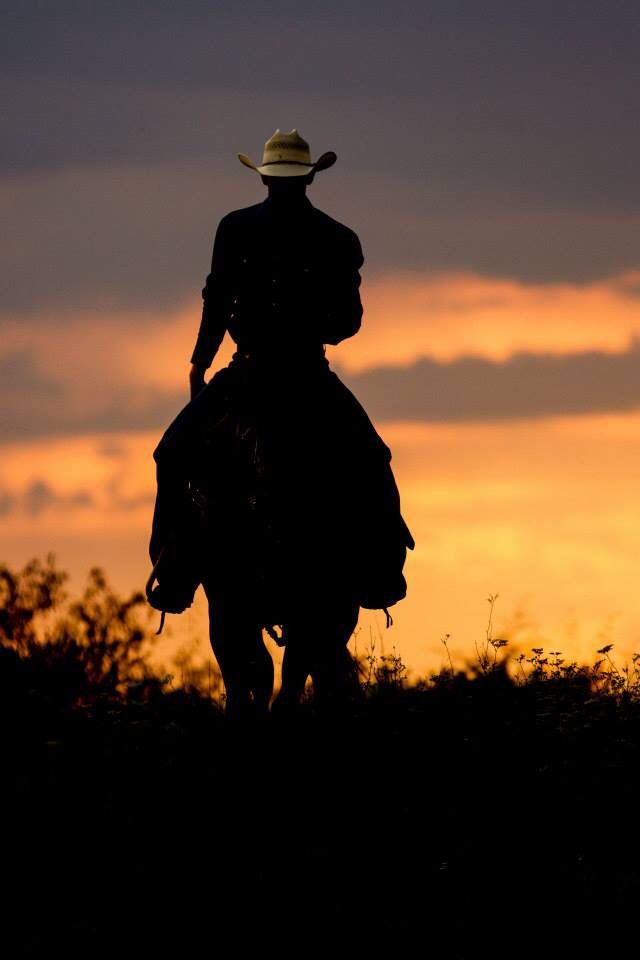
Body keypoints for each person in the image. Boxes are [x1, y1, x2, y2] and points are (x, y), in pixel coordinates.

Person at [147, 129, 414, 714]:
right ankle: (379, 569)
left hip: (245, 374)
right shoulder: (339, 238)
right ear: (311, 178)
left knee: (173, 455)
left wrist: (200, 361)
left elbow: (216, 300)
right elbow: (347, 323)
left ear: (264, 177)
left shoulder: (234, 227)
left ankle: (172, 570)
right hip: (310, 378)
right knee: (373, 461)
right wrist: (309, 322)